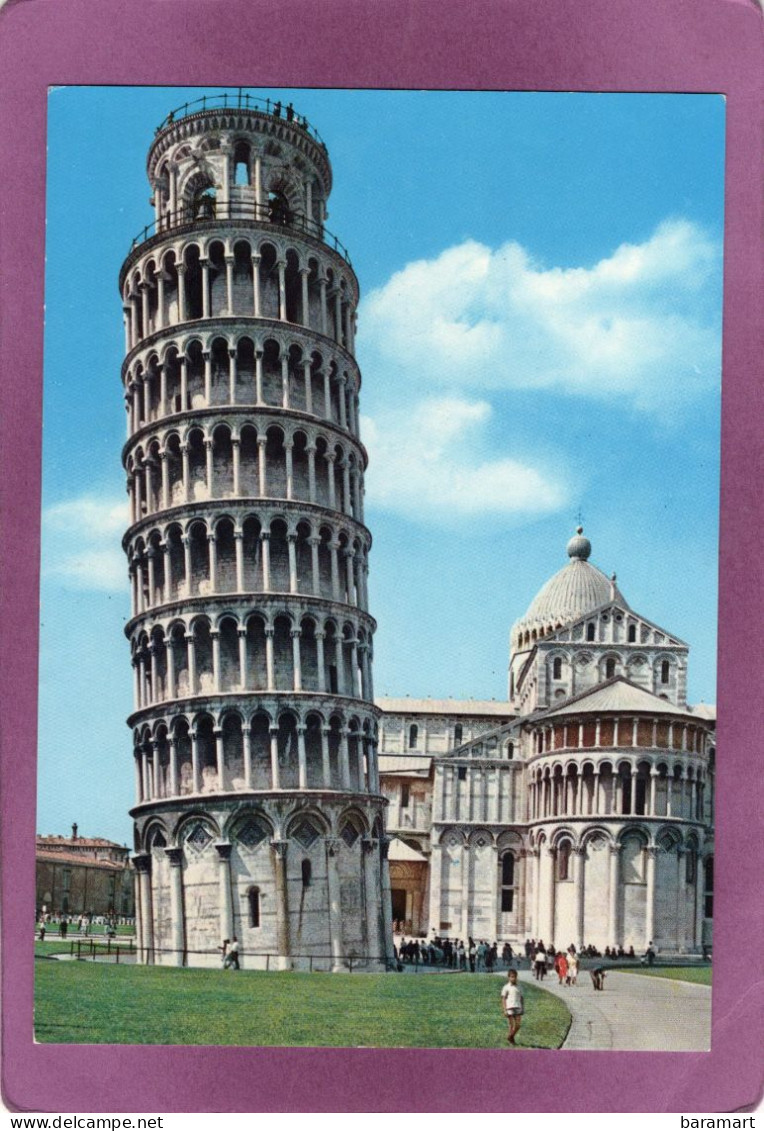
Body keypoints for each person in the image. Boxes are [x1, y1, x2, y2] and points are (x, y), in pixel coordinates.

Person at [500, 969, 524, 1045]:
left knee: (518, 1025)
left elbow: (521, 998)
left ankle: (510, 1036)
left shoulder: (519, 987)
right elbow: (503, 999)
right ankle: (511, 1040)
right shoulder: (506, 987)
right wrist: (505, 1009)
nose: (513, 978)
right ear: (509, 977)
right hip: (510, 1007)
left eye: (515, 977)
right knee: (511, 1025)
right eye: (512, 977)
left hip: (517, 1007)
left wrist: (522, 1008)